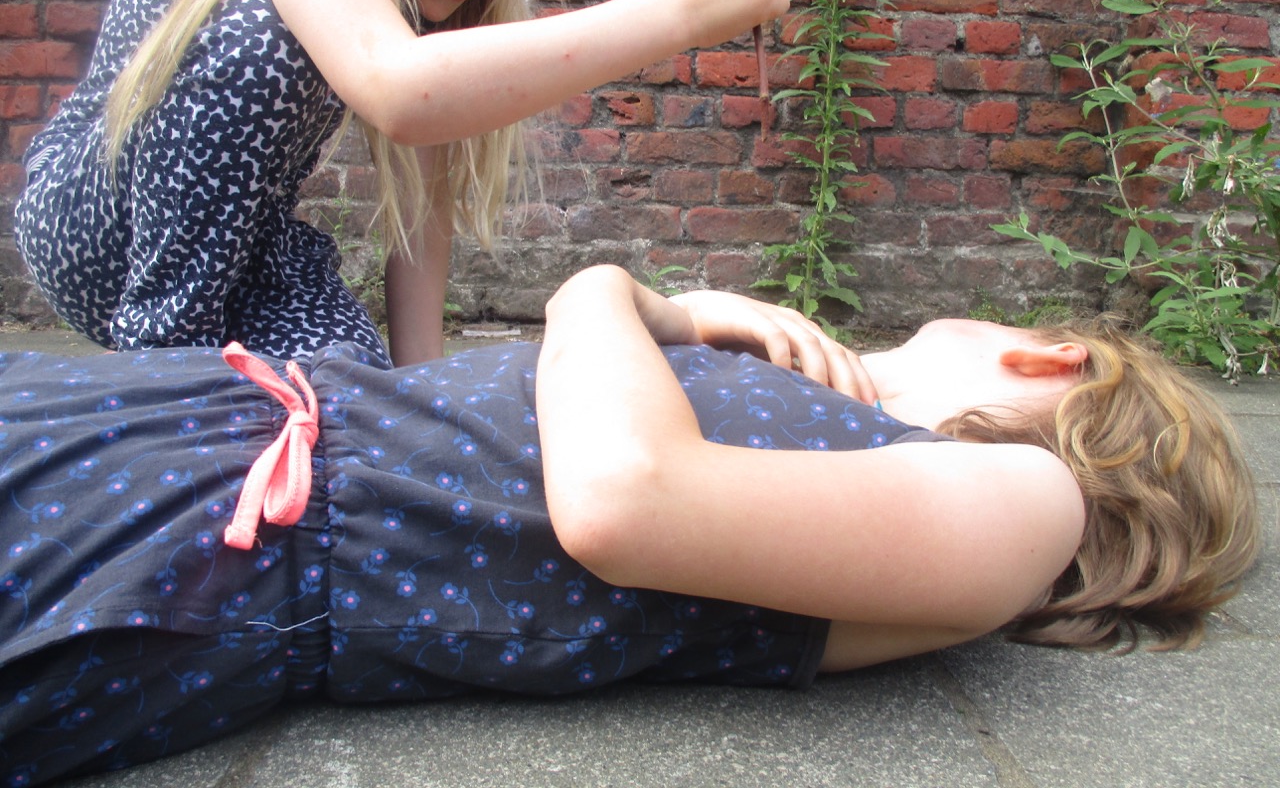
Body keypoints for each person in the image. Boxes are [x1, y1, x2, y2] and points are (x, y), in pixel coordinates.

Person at [0, 264, 1259, 786]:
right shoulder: (847, 435)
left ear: (1055, 360)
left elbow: (623, 500)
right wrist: (689, 321)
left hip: (201, 534)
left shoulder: (1026, 504)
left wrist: (607, 291)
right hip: (194, 429)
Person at [14, 0, 789, 368]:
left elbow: (425, 182)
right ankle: (164, 376)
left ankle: (233, 387)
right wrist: (679, 10)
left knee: (361, 401)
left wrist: (420, 386)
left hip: (245, 253)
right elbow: (402, 92)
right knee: (256, 41)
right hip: (99, 228)